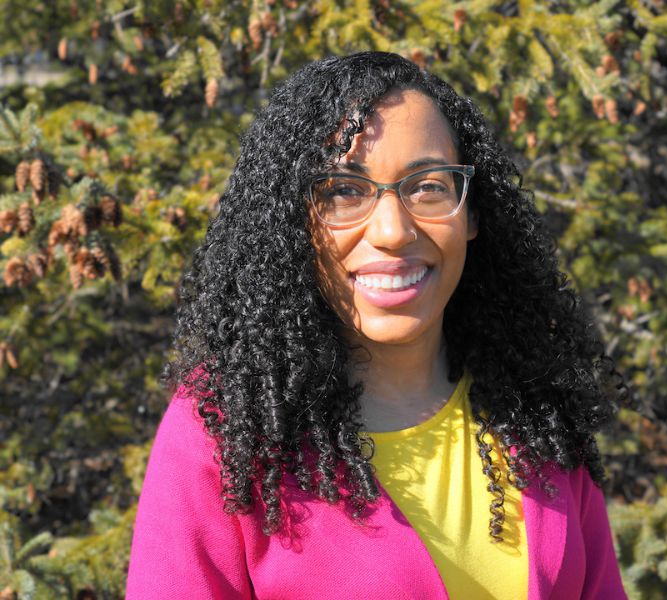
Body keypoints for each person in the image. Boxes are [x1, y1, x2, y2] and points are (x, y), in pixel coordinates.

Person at [126, 51, 628, 599]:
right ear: (295, 221)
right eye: (343, 190)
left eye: (428, 186)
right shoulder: (228, 432)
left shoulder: (535, 411)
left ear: (473, 213)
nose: (392, 230)